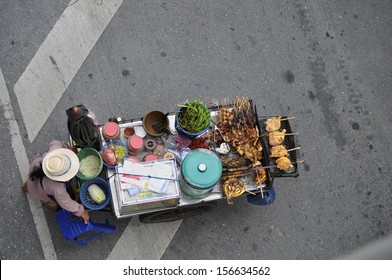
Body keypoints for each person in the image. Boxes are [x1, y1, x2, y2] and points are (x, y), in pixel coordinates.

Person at [22, 140, 89, 224]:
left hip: (34, 178)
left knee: (31, 184)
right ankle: (53, 205)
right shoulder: (58, 189)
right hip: (42, 191)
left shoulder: (52, 159)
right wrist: (80, 211)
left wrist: (69, 148)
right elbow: (66, 203)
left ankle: (26, 186)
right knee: (54, 201)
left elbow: (55, 143)